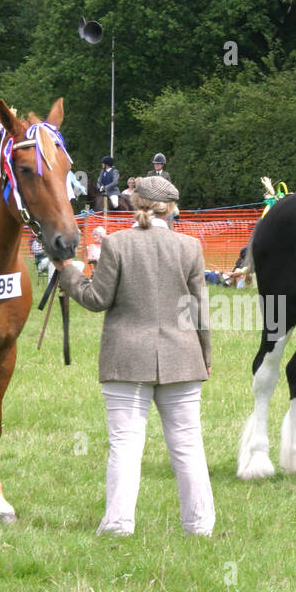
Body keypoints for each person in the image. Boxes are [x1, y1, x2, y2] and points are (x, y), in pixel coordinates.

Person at [51, 175, 215, 537]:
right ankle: (200, 525)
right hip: (183, 357)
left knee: (125, 446)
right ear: (170, 208)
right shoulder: (190, 246)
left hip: (126, 359)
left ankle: (119, 525)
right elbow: (199, 310)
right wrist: (204, 354)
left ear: (133, 202)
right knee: (188, 446)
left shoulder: (115, 244)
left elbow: (97, 300)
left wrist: (69, 275)